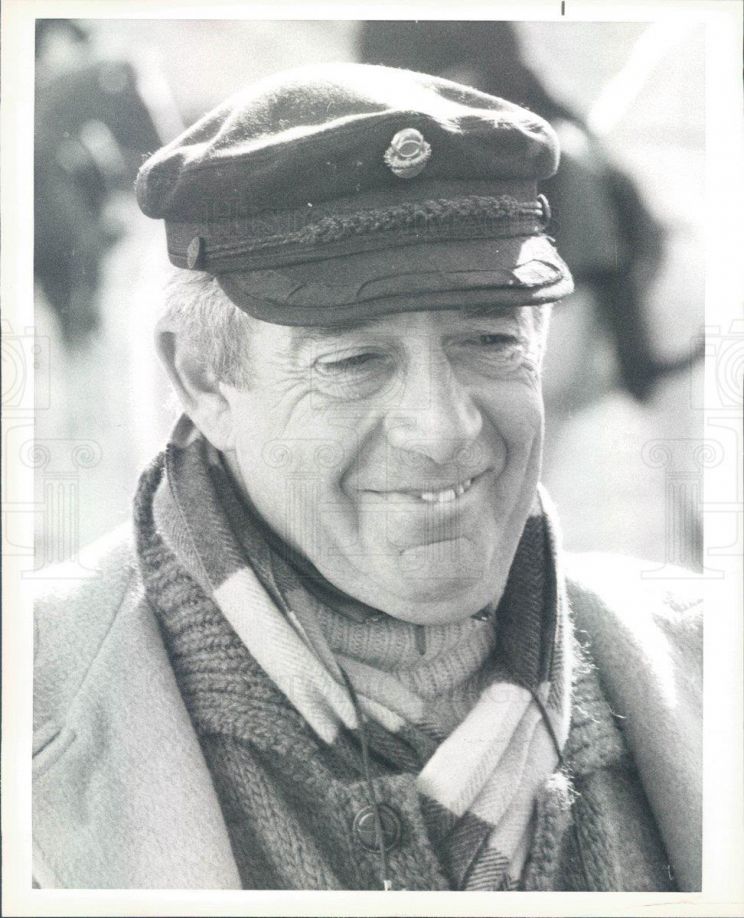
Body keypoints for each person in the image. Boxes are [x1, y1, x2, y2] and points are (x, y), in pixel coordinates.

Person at [32, 63, 702, 892]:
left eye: (490, 341)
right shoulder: (32, 703)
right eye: (353, 361)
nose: (444, 428)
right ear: (203, 381)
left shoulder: (708, 667)